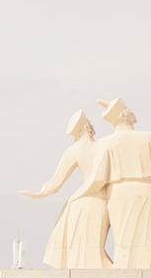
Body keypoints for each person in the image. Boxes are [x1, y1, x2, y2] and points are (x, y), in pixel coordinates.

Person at [72, 98, 151, 268]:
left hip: (118, 194)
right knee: (147, 243)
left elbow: (98, 179)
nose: (129, 110)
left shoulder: (106, 143)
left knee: (124, 244)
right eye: (125, 107)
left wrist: (78, 195)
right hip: (146, 191)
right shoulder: (148, 137)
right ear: (122, 114)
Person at [20, 110, 112, 268]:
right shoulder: (103, 147)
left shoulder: (75, 150)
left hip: (83, 203)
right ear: (86, 127)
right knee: (92, 253)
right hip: (104, 202)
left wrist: (40, 194)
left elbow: (56, 182)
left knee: (85, 253)